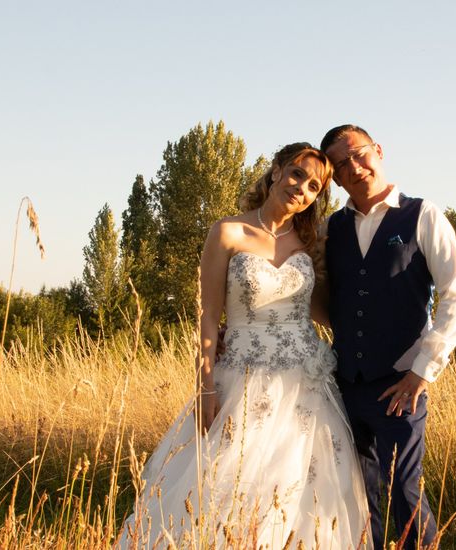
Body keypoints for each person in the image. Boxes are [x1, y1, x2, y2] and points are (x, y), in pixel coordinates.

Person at [118, 143, 371, 549]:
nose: (301, 188)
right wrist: (205, 387)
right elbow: (208, 316)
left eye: (313, 187)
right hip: (241, 378)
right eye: (295, 175)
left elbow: (324, 313)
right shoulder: (228, 232)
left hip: (305, 385)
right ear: (275, 172)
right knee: (227, 487)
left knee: (300, 492)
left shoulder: (311, 244)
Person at [320, 125, 456, 549]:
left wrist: (422, 372)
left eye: (358, 154)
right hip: (344, 385)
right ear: (334, 178)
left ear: (378, 151)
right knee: (357, 497)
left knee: (405, 492)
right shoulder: (330, 229)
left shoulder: (423, 215)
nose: (353, 167)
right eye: (340, 164)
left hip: (401, 385)